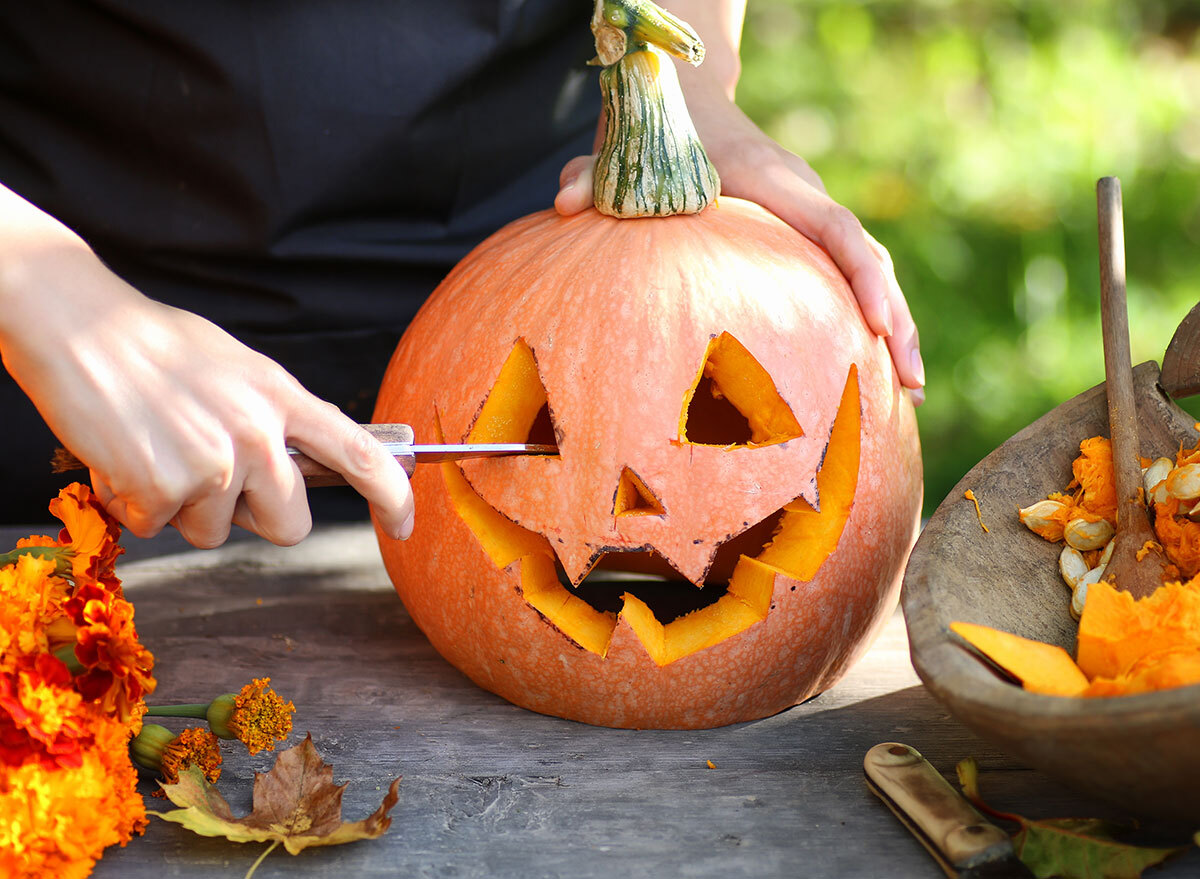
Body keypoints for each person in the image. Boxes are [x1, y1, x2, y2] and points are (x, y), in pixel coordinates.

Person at [0, 1, 922, 549]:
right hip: (55, 367)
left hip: (534, 279)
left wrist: (685, 92)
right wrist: (42, 289)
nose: (636, 494)